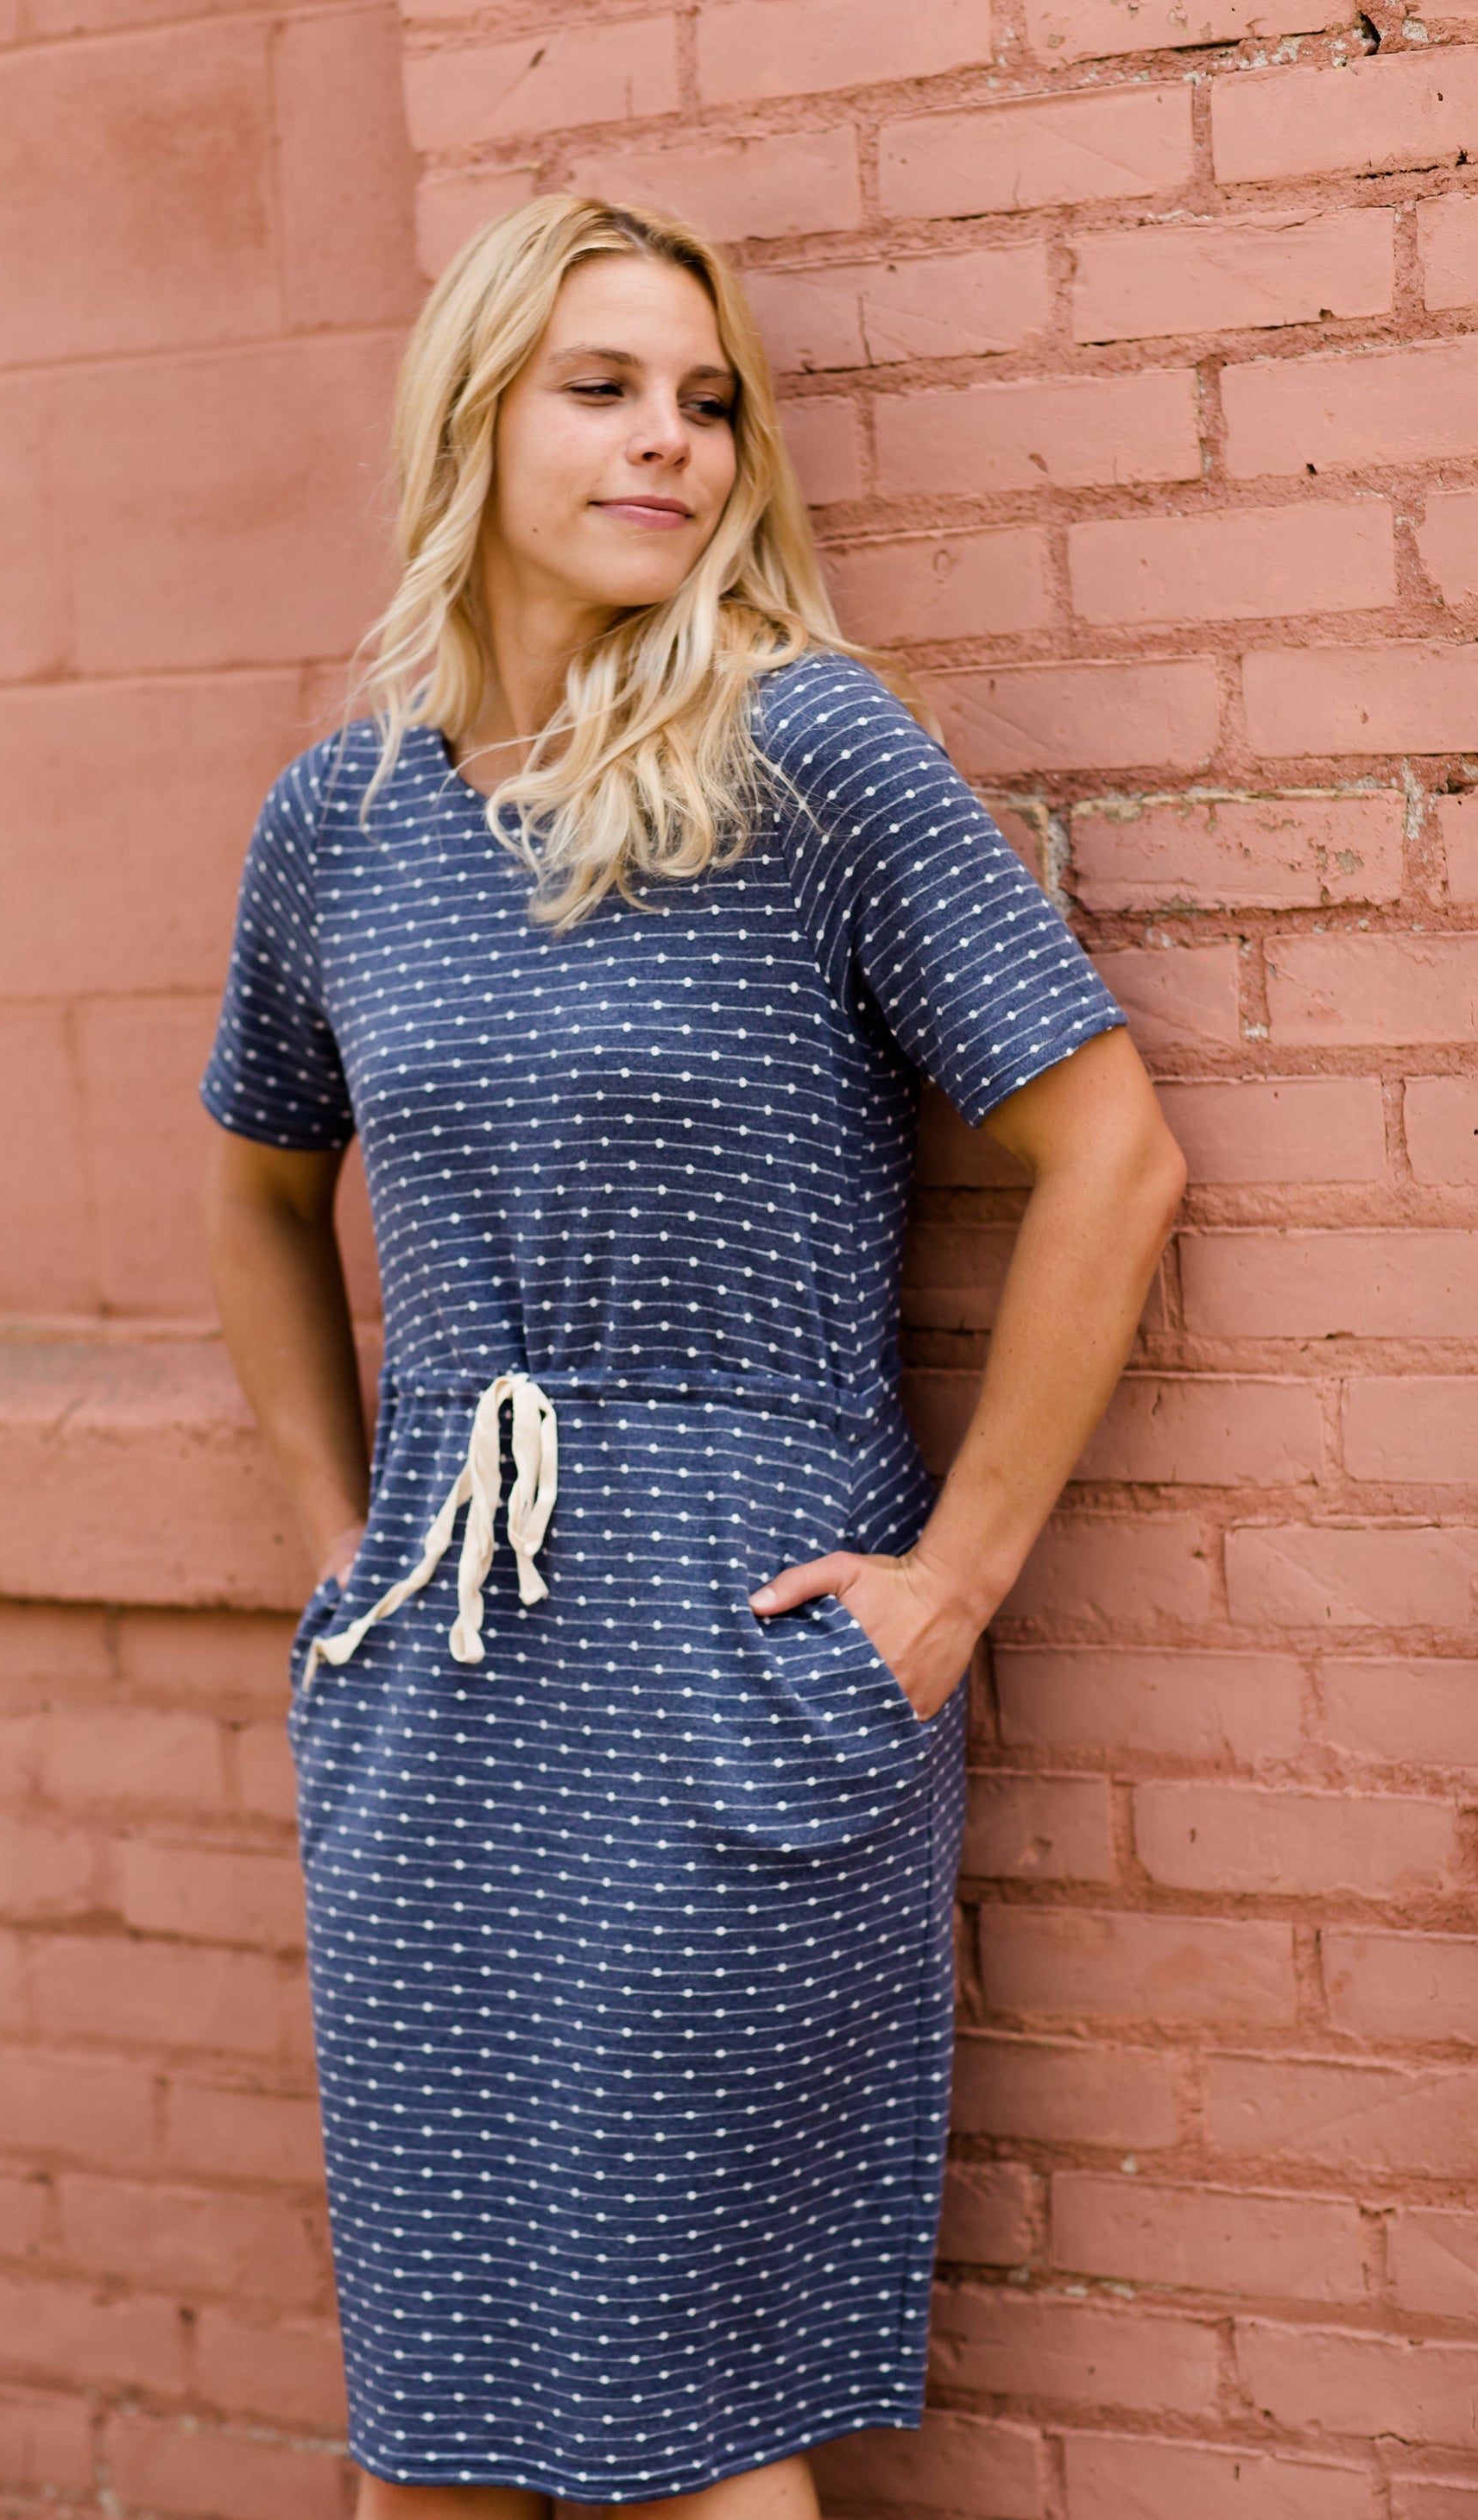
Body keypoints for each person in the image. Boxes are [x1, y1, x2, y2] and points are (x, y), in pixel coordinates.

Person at [200, 194, 1185, 2520]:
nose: (671, 445)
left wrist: (942, 1590)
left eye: (707, 400)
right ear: (473, 418)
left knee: (678, 2433)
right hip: (439, 1668)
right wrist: (340, 1562)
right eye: (604, 389)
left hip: (729, 1644)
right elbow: (255, 1186)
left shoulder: (805, 751)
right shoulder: (339, 821)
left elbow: (1111, 1156)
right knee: (431, 2428)